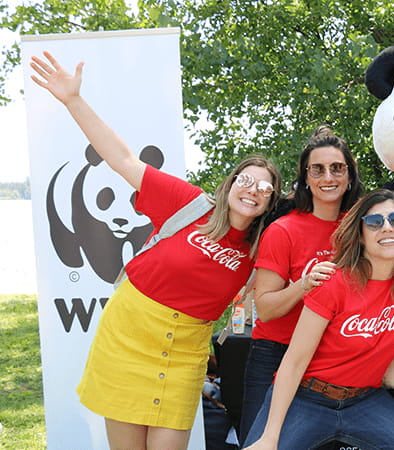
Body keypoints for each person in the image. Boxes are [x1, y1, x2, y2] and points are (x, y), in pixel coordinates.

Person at [29, 51, 281, 450]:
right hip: (131, 333)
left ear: (269, 203)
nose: (253, 190)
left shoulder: (261, 249)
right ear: (230, 184)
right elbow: (121, 157)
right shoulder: (188, 203)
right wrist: (73, 100)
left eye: (265, 188)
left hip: (185, 351)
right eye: (246, 180)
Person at [243, 189, 394, 449]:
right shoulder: (334, 281)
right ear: (361, 236)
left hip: (364, 401)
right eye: (375, 223)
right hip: (307, 398)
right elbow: (295, 360)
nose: (387, 228)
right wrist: (270, 438)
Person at [238, 125, 362, 442]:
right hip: (275, 355)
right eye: (317, 170)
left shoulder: (363, 229)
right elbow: (264, 309)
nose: (328, 178)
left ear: (349, 175)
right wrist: (305, 284)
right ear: (306, 178)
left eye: (337, 168)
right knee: (260, 443)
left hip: (332, 360)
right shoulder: (283, 230)